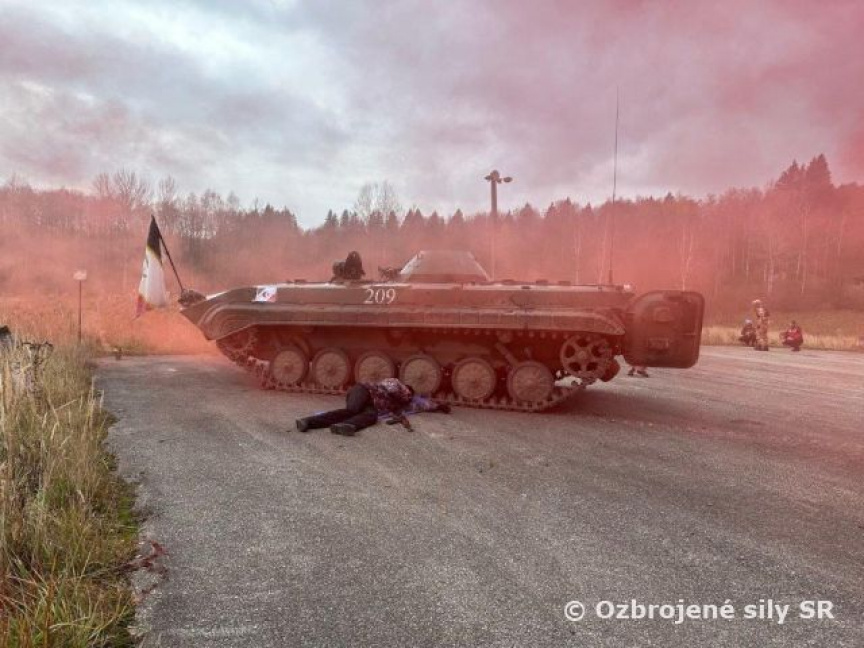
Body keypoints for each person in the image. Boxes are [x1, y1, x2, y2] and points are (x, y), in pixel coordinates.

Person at [295, 377, 421, 436]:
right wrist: (404, 394)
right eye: (408, 395)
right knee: (352, 410)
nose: (408, 398)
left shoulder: (395, 403)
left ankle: (345, 426)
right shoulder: (396, 383)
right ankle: (307, 422)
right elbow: (390, 387)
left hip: (371, 403)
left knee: (371, 416)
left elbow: (424, 405)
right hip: (363, 390)